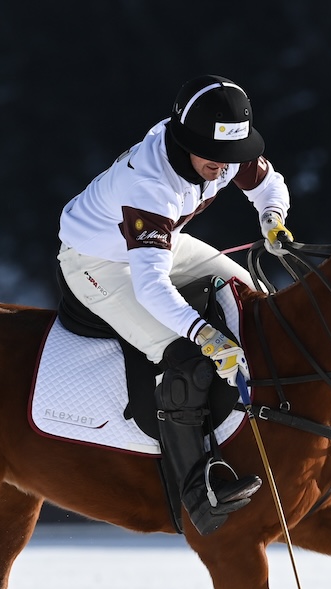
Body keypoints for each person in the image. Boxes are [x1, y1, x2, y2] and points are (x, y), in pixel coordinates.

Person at [56, 75, 293, 535]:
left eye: (231, 157)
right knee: (187, 357)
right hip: (99, 264)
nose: (223, 168)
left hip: (164, 243)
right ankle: (198, 492)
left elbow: (270, 185)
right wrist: (206, 336)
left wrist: (273, 220)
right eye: (213, 157)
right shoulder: (150, 186)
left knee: (255, 300)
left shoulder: (222, 151)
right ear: (185, 144)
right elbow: (149, 287)